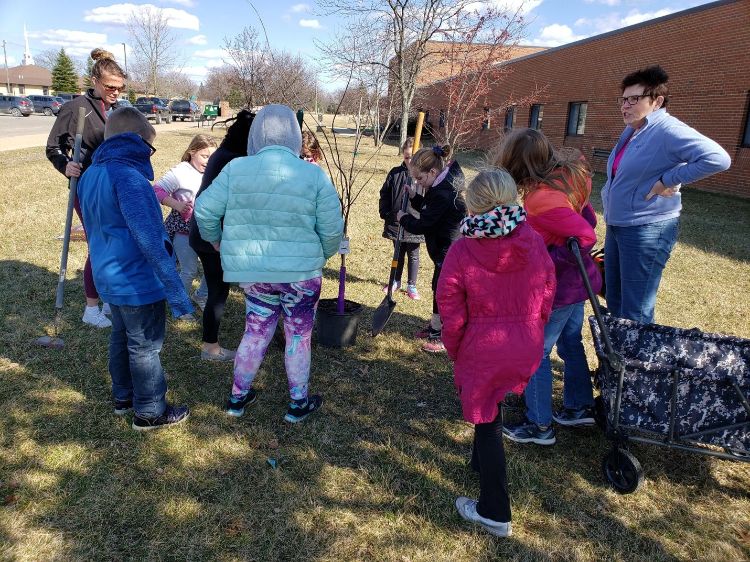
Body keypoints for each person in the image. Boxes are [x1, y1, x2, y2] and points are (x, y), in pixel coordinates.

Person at [195, 104, 343, 422]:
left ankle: (238, 398)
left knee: (255, 332)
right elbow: (333, 228)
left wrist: (217, 241)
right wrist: (322, 255)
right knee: (299, 335)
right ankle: (297, 403)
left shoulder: (236, 169)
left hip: (255, 273)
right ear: (293, 135)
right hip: (302, 275)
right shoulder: (313, 175)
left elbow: (204, 210)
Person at [437, 169, 555, 537]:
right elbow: (548, 290)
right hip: (525, 344)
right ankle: (479, 463)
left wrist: (456, 349)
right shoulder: (532, 239)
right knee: (494, 404)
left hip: (484, 349)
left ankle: (494, 510)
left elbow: (450, 309)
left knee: (487, 421)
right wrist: (534, 328)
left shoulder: (462, 249)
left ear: (472, 204)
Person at [76, 107, 192, 430]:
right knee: (144, 345)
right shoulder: (130, 179)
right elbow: (151, 239)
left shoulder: (89, 176)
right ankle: (151, 409)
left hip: (108, 277)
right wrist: (177, 293)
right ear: (137, 142)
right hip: (137, 280)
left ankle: (123, 396)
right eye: (149, 147)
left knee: (121, 335)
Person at [493, 129, 602, 446]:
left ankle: (539, 425)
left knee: (536, 352)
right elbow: (587, 215)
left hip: (559, 288)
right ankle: (579, 405)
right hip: (579, 285)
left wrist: (544, 256)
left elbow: (585, 236)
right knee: (570, 342)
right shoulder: (571, 171)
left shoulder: (541, 199)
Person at [602, 65, 731, 323]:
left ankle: (636, 363)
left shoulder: (667, 130)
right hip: (618, 225)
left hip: (646, 227)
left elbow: (718, 158)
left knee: (635, 310)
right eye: (623, 99)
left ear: (657, 101)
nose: (625, 106)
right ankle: (614, 362)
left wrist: (668, 180)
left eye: (634, 99)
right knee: (614, 299)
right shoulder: (634, 129)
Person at [46, 48, 127, 329]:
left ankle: (109, 299)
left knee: (116, 241)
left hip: (116, 185)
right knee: (99, 243)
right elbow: (52, 147)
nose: (116, 92)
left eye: (120, 87)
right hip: (88, 187)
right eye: (110, 87)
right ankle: (91, 308)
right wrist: (65, 165)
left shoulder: (120, 110)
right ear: (95, 80)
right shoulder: (76, 108)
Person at [189, 111, 255, 361]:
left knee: (220, 288)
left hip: (208, 233)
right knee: (218, 291)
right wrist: (216, 238)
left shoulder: (224, 153)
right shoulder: (232, 160)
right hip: (210, 236)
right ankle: (210, 347)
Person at [397, 145, 465, 353]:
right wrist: (415, 198)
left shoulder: (443, 193)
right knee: (438, 288)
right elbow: (429, 209)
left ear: (433, 172)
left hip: (450, 252)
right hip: (442, 250)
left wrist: (404, 218)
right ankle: (436, 326)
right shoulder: (439, 186)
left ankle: (445, 336)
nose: (418, 182)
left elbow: (424, 223)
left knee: (446, 293)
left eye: (419, 179)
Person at [153, 134, 217, 314]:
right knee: (189, 271)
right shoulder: (181, 171)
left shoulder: (213, 171)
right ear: (192, 152)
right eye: (205, 156)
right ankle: (180, 306)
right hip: (184, 231)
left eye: (212, 157)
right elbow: (157, 190)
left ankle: (201, 295)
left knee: (214, 268)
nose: (209, 161)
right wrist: (177, 205)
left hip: (208, 230)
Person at [378, 137, 424, 300]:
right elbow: (384, 193)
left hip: (415, 221)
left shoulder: (422, 177)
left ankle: (411, 284)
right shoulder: (395, 173)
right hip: (396, 222)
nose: (410, 160)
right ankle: (395, 280)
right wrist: (385, 212)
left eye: (413, 156)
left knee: (413, 253)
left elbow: (427, 199)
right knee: (398, 252)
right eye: (407, 157)